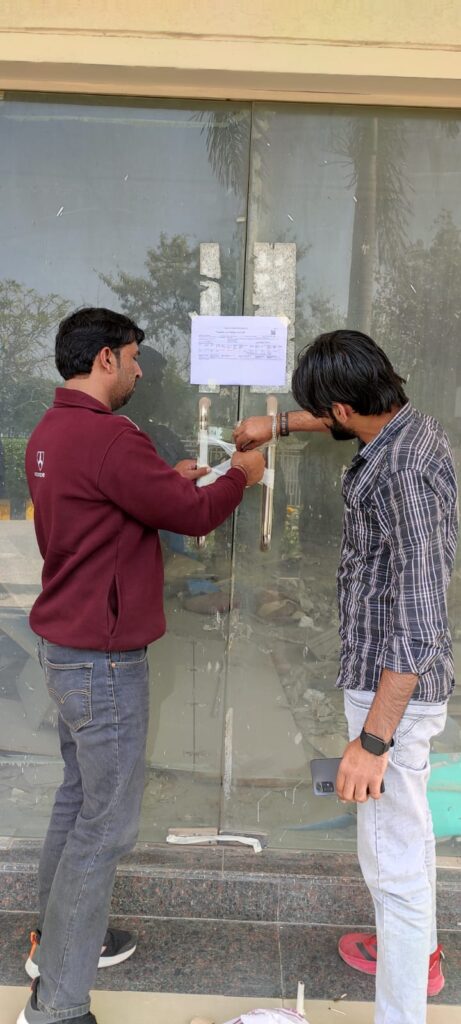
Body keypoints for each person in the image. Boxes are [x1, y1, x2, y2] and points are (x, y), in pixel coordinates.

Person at [20, 307, 264, 1024]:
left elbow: (114, 505)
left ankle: (58, 946)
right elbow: (192, 517)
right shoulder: (109, 435)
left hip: (66, 649)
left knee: (77, 802)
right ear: (104, 358)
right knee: (106, 827)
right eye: (131, 359)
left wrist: (169, 479)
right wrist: (241, 475)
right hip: (102, 661)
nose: (136, 371)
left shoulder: (50, 431)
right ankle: (57, 1005)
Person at [233, 329, 457, 1024]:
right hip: (398, 689)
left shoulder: (402, 474)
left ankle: (401, 1011)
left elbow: (419, 621)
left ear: (341, 407)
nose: (320, 419)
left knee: (391, 869)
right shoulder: (407, 427)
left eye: (321, 411)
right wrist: (276, 424)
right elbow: (340, 418)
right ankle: (418, 956)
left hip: (393, 695)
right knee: (407, 841)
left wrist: (372, 742)